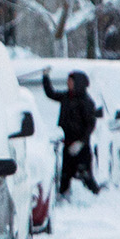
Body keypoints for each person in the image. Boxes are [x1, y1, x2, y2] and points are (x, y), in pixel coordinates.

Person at [41, 69, 102, 198]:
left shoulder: (86, 102)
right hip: (67, 143)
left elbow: (90, 124)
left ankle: (95, 196)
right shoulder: (66, 97)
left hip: (81, 146)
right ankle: (63, 196)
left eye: (71, 81)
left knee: (84, 174)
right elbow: (50, 93)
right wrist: (45, 78)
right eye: (68, 81)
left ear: (78, 83)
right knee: (65, 174)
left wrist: (81, 142)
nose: (68, 83)